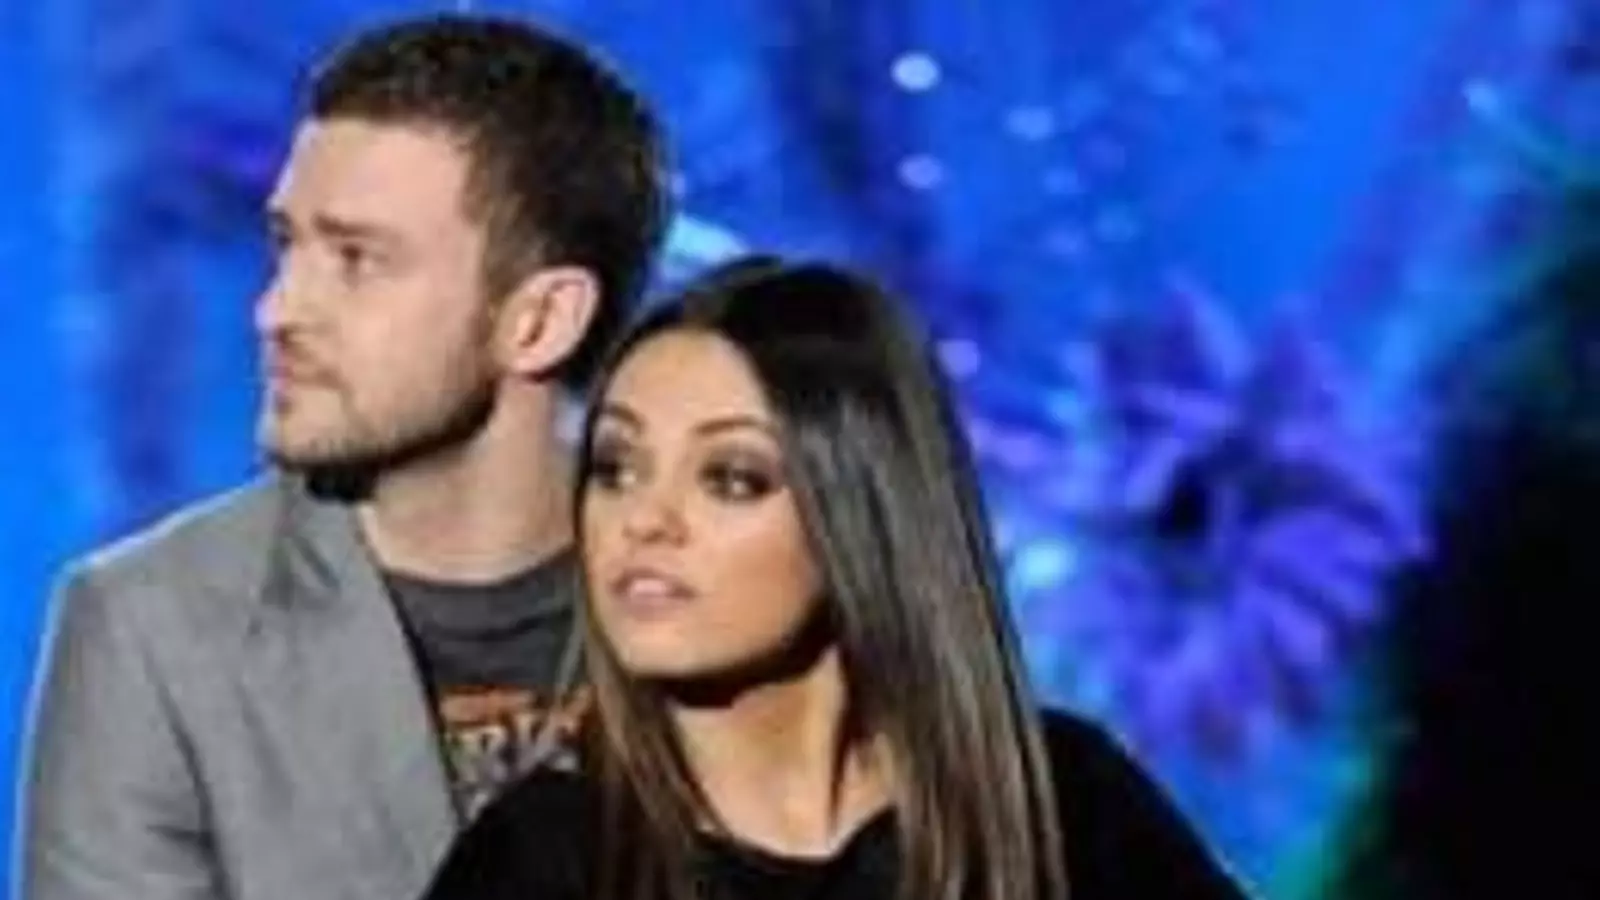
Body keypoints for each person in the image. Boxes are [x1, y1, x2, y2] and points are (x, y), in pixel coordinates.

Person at [14, 13, 670, 900]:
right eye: (287, 245)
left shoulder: (752, 600)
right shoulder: (151, 628)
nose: (276, 310)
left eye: (357, 259)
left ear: (541, 320)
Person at [423, 257, 1249, 900]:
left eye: (732, 478)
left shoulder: (1059, 802)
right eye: (615, 467)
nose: (645, 519)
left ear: (859, 516)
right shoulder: (541, 861)